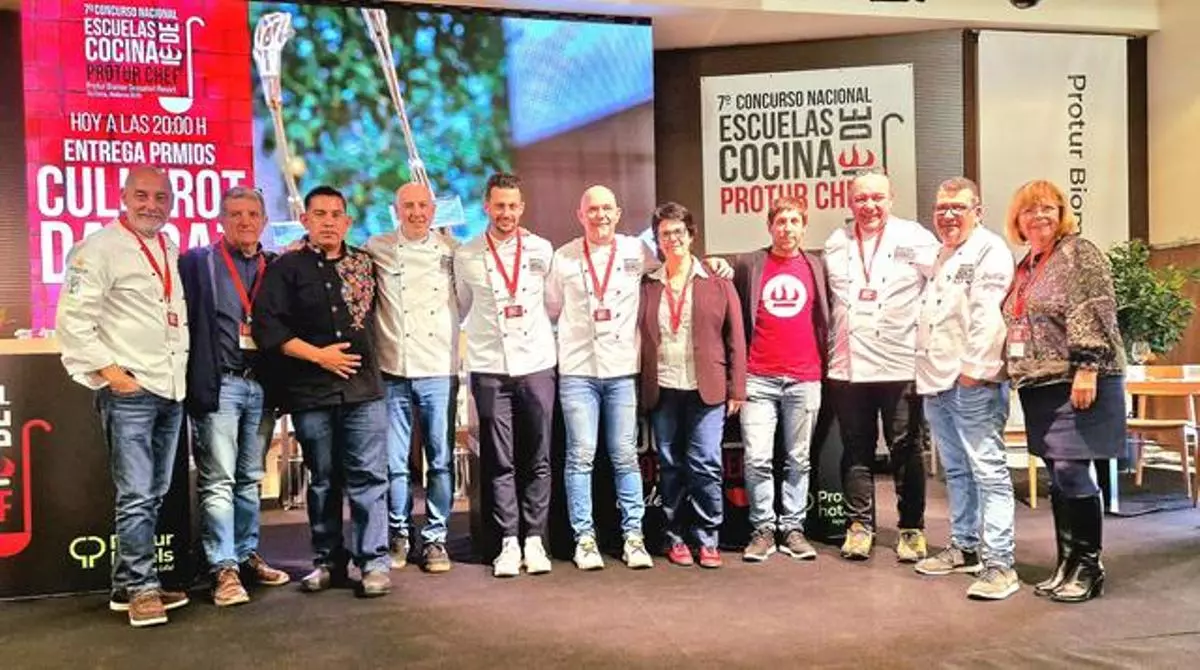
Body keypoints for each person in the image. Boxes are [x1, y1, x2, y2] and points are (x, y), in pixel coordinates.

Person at [56, 165, 191, 627]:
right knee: (136, 495)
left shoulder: (167, 246)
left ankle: (125, 584)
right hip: (132, 391)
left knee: (152, 493)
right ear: (123, 196)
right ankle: (141, 589)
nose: (151, 205)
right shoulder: (98, 248)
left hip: (169, 388)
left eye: (161, 197)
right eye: (142, 195)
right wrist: (115, 376)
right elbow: (73, 321)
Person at [252, 185, 392, 597]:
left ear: (347, 222)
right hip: (311, 392)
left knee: (369, 479)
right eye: (319, 214)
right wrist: (319, 356)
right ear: (305, 220)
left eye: (336, 215)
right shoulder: (286, 267)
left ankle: (373, 563)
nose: (328, 222)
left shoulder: (367, 264)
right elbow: (268, 327)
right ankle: (327, 561)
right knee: (323, 481)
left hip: (364, 391)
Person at [1001, 179, 1126, 604]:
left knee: (1072, 469)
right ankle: (1067, 564)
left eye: (1047, 208)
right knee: (1057, 472)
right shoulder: (1027, 265)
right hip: (1040, 383)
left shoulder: (1077, 252)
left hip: (1077, 379)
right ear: (1017, 220)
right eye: (1029, 210)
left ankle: (1089, 567)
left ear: (1061, 213)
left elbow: (1093, 308)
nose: (1038, 216)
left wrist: (1087, 367)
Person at [179, 186, 291, 607]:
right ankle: (222, 566)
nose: (245, 221)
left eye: (252, 214)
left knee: (249, 478)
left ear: (264, 221)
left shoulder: (275, 266)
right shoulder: (198, 263)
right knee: (219, 480)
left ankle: (245, 554)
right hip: (221, 384)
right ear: (221, 220)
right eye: (236, 214)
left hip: (262, 385)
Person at [912, 178, 1019, 600]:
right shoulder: (942, 253)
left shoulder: (990, 250)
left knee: (988, 471)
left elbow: (987, 317)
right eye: (941, 208)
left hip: (971, 382)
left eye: (958, 207)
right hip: (937, 381)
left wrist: (974, 372)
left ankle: (1000, 564)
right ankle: (965, 547)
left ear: (978, 211)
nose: (948, 215)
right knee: (956, 471)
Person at [824, 170, 940, 562]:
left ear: (891, 199)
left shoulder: (916, 237)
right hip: (849, 366)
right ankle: (859, 527)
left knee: (906, 449)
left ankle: (911, 528)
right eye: (861, 199)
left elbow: (942, 285)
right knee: (855, 449)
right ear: (849, 202)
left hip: (900, 364)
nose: (869, 206)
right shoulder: (836, 243)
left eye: (877, 198)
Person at [545, 185, 653, 571]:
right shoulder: (563, 257)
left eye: (607, 209)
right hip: (578, 371)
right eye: (592, 209)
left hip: (622, 370)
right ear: (580, 215)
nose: (600, 216)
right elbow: (552, 307)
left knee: (624, 455)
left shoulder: (637, 250)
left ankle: (633, 537)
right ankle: (584, 539)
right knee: (580, 456)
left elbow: (674, 268)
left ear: (618, 214)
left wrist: (714, 266)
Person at [455, 172, 557, 578]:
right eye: (499, 205)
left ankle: (535, 540)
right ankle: (508, 542)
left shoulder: (541, 249)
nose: (506, 213)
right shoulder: (466, 254)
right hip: (490, 367)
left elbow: (553, 303)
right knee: (499, 460)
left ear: (522, 207)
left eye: (513, 206)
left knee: (538, 457)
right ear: (486, 206)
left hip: (537, 364)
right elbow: (462, 307)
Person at [638, 202, 747, 569]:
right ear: (657, 240)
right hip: (664, 386)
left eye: (678, 232)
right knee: (669, 466)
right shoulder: (647, 285)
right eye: (664, 234)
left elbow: (736, 337)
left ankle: (707, 538)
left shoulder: (717, 281)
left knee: (705, 464)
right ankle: (674, 537)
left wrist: (737, 387)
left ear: (691, 235)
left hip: (707, 387)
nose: (672, 239)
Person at [365, 182, 459, 574]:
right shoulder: (377, 247)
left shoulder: (453, 250)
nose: (416, 213)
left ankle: (436, 537)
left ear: (433, 210)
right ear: (396, 210)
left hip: (439, 368)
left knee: (440, 460)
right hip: (394, 369)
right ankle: (399, 533)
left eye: (423, 206)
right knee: (395, 463)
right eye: (408, 206)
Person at [728, 196, 828, 563]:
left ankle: (793, 528)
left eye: (794, 221)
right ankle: (763, 529)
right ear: (770, 226)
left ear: (804, 226)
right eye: (780, 221)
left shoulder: (817, 266)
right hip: (758, 378)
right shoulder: (750, 264)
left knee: (798, 459)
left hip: (805, 377)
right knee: (757, 458)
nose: (787, 228)